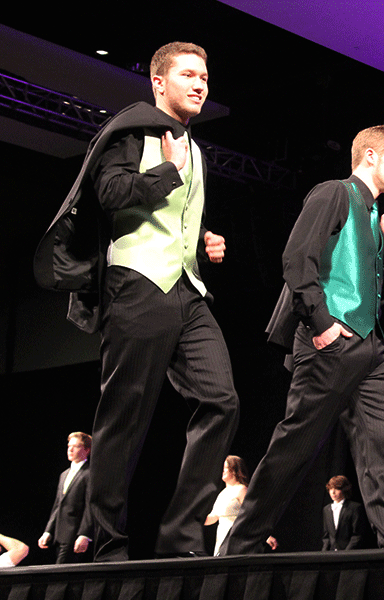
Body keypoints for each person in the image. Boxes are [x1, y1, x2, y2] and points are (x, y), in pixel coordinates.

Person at [33, 41, 239, 561]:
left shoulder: (194, 148)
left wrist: (204, 242)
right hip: (138, 286)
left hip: (188, 290)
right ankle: (108, 544)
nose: (199, 84)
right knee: (124, 418)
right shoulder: (134, 130)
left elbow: (176, 221)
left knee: (221, 401)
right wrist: (164, 172)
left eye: (205, 77)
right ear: (158, 83)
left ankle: (181, 535)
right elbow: (109, 194)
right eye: (188, 74)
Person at [220, 125, 384, 554]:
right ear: (369, 156)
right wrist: (322, 323)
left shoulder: (375, 218)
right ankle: (238, 548)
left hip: (370, 350)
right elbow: (296, 258)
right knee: (294, 448)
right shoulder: (334, 193)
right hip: (330, 342)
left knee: (382, 456)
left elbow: (377, 292)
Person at [38, 432, 93, 563]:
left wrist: (84, 535)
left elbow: (90, 506)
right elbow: (58, 506)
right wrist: (48, 531)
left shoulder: (90, 474)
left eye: (75, 446)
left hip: (74, 535)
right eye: (69, 446)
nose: (70, 449)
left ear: (86, 449)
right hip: (58, 535)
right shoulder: (64, 474)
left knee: (61, 576)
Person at [205, 456, 248, 556]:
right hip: (221, 539)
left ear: (233, 470)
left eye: (225, 468)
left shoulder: (242, 490)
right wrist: (195, 522)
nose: (222, 471)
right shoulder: (222, 494)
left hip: (235, 540)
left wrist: (266, 537)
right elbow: (214, 517)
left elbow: (251, 515)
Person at [322, 475, 367, 551]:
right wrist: (323, 554)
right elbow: (326, 536)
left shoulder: (354, 507)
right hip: (331, 554)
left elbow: (357, 535)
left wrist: (346, 553)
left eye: (336, 489)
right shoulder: (326, 509)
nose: (333, 492)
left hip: (349, 554)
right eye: (330, 489)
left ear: (344, 489)